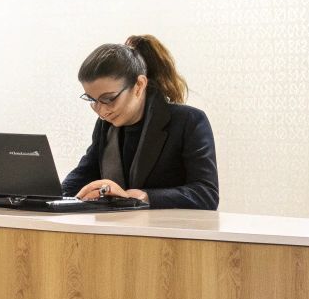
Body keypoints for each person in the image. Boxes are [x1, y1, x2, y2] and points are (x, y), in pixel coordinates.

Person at [61, 35, 219, 210]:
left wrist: (141, 196)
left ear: (139, 85)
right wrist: (43, 195)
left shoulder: (189, 121)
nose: (101, 110)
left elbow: (207, 194)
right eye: (92, 99)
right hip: (120, 232)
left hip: (169, 234)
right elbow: (82, 176)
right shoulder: (105, 126)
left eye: (109, 99)